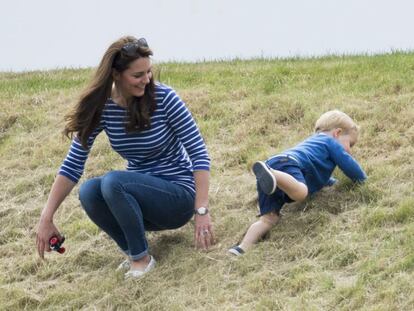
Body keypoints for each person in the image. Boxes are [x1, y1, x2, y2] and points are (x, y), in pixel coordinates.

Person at [36, 36, 214, 278]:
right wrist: (47, 217)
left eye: (148, 72)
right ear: (116, 74)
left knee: (112, 182)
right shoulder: (103, 108)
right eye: (138, 75)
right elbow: (72, 164)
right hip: (140, 199)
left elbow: (199, 154)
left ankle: (142, 260)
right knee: (89, 191)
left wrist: (201, 211)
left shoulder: (165, 98)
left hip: (178, 197)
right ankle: (134, 252)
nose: (147, 80)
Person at [228, 110, 367, 256]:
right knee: (301, 193)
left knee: (268, 219)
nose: (350, 150)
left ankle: (242, 247)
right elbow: (349, 165)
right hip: (288, 164)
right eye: (350, 144)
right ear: (337, 133)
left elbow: (317, 173)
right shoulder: (330, 141)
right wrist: (363, 180)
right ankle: (273, 175)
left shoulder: (314, 144)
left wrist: (329, 182)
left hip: (278, 165)